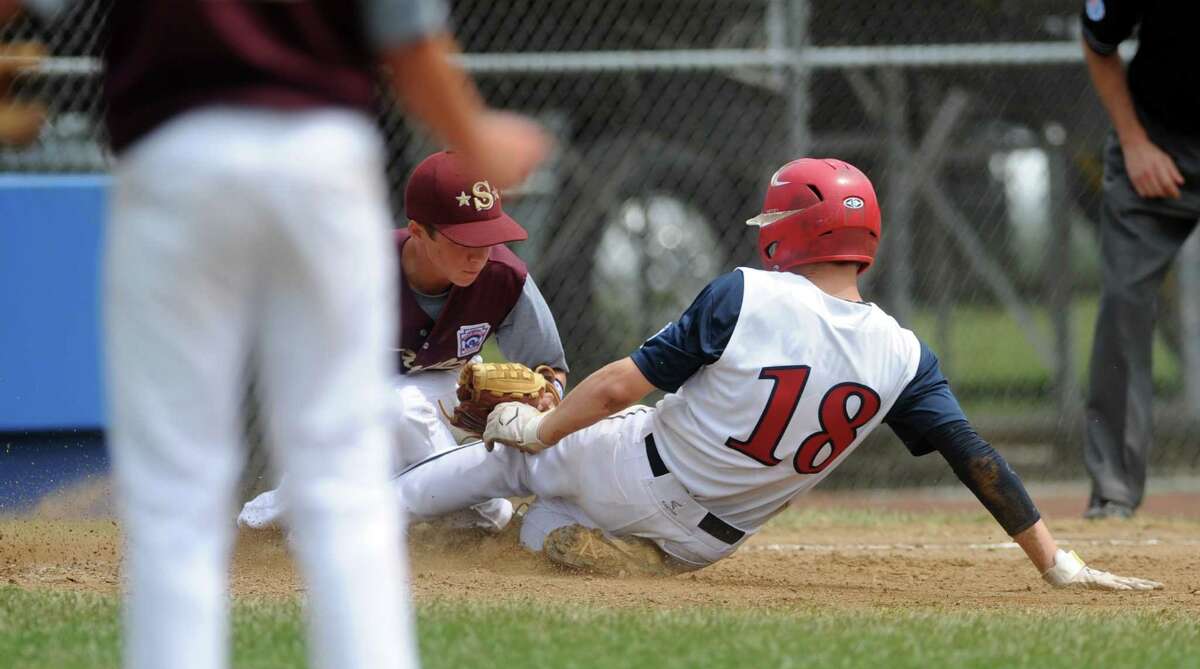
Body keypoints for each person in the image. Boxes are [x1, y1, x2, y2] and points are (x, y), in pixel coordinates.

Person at [5, 1, 549, 669]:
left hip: (175, 157)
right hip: (320, 159)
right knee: (344, 482)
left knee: (175, 493)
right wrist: (476, 136)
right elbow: (406, 31)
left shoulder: (499, 278)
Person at [394, 158, 1162, 592]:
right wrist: (1055, 560)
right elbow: (977, 459)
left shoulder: (747, 293)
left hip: (634, 469)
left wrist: (538, 425)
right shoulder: (903, 354)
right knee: (541, 528)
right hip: (711, 540)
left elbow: (617, 388)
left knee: (508, 458)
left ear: (792, 234)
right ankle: (578, 540)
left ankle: (337, 516)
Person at [238, 150, 569, 532]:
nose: (480, 254)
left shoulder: (504, 277)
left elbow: (550, 366)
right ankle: (482, 514)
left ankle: (477, 516)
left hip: (449, 384)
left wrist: (550, 395)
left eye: (489, 236)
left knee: (401, 406)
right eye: (465, 240)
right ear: (417, 231)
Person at [1080, 0, 1200, 519]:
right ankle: (1113, 493)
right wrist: (1133, 143)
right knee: (1124, 308)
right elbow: (1098, 44)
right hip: (1156, 143)